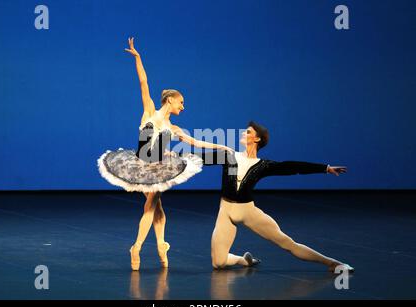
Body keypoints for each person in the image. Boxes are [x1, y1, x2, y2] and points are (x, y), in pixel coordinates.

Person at [97, 38, 230, 271]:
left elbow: (196, 142)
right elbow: (143, 81)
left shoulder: (175, 128)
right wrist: (138, 58)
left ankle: (160, 244)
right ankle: (137, 246)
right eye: (181, 102)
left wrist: (222, 147)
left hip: (156, 166)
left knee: (157, 206)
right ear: (170, 100)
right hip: (141, 165)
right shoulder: (149, 110)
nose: (183, 107)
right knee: (152, 205)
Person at [198, 121, 354, 272]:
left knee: (288, 243)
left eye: (248, 131)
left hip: (247, 212)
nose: (244, 133)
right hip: (225, 212)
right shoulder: (229, 156)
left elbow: (291, 167)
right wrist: (173, 157)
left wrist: (325, 168)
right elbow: (199, 158)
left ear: (257, 139)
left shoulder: (263, 165)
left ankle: (333, 263)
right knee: (218, 263)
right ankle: (244, 260)